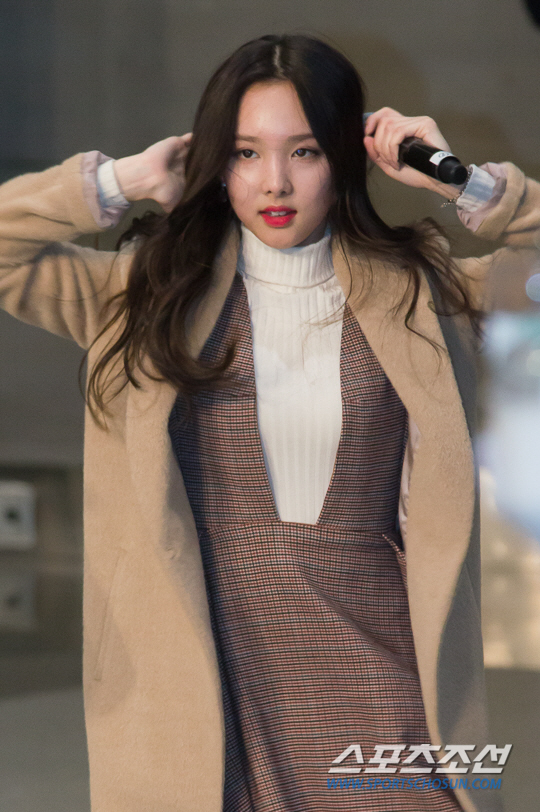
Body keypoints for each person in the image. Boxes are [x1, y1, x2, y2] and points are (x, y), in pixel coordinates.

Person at [0, 32, 537, 812]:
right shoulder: (139, 297)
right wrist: (116, 182)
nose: (274, 181)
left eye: (305, 152)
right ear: (215, 163)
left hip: (378, 686)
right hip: (200, 693)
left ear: (344, 160)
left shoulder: (424, 298)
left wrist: (465, 182)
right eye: (246, 153)